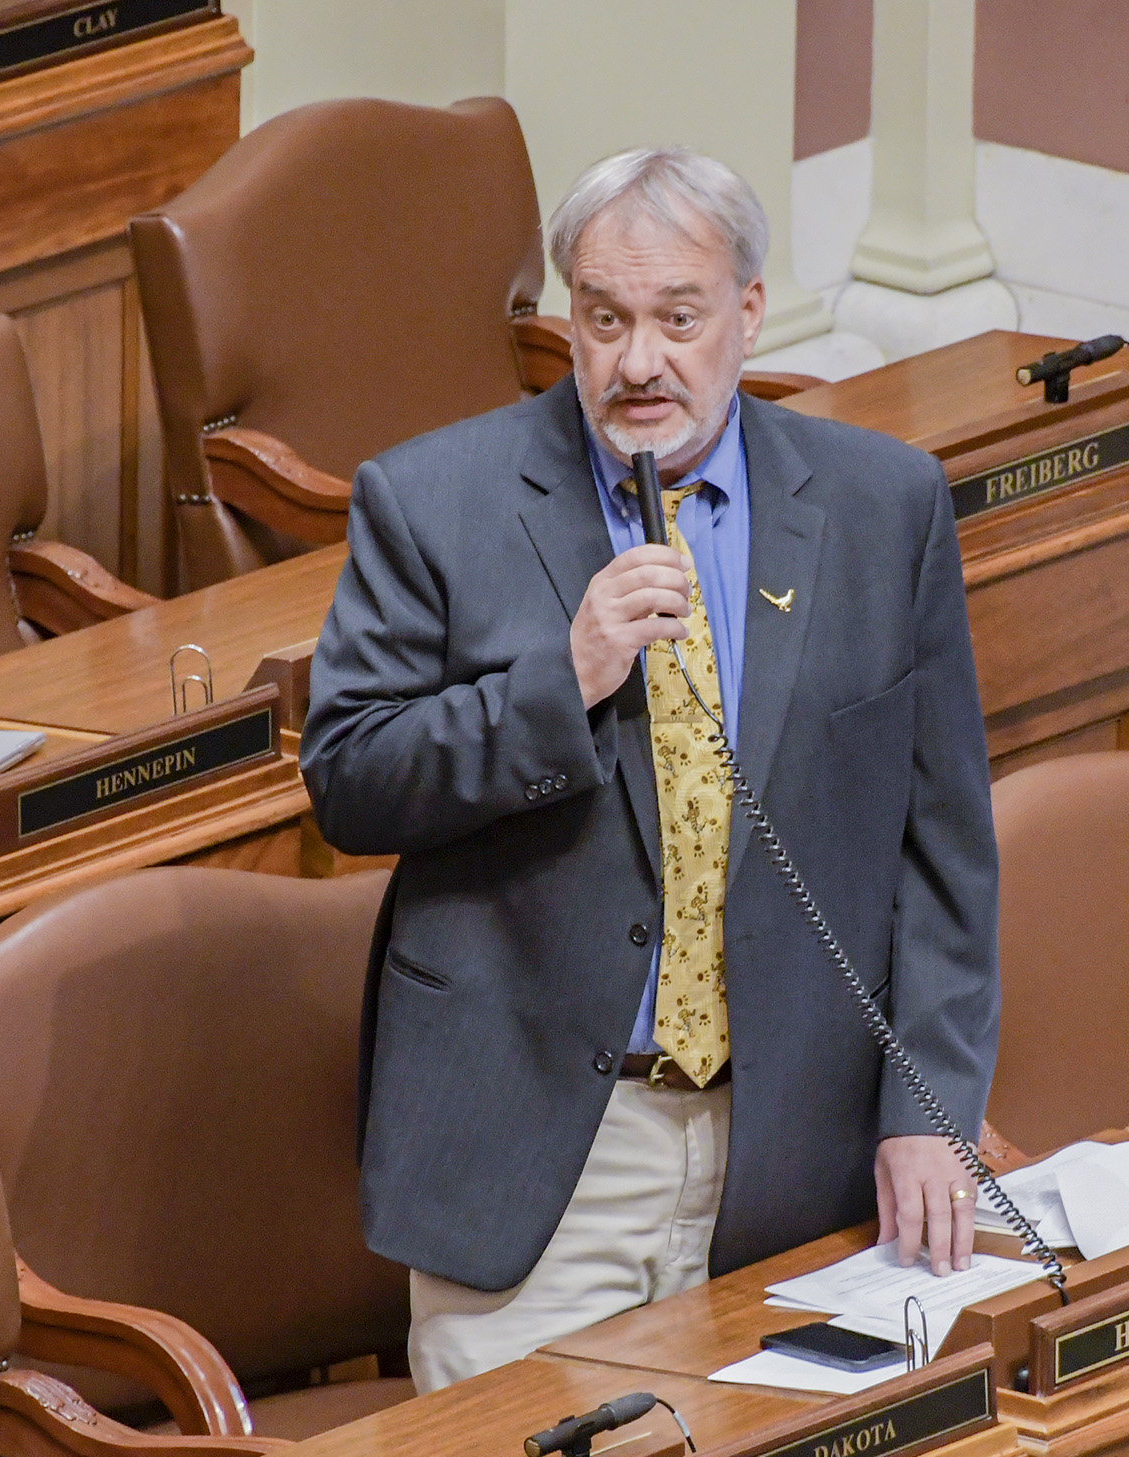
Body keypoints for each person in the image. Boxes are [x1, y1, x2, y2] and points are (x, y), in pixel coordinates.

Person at [300, 145, 1001, 1392]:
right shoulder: (433, 503)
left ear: (746, 312)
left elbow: (941, 855)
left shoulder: (883, 506)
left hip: (795, 1146)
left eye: (678, 320)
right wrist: (555, 684)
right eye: (606, 320)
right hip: (544, 1160)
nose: (639, 364)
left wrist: (926, 1109)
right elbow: (350, 778)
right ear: (568, 318)